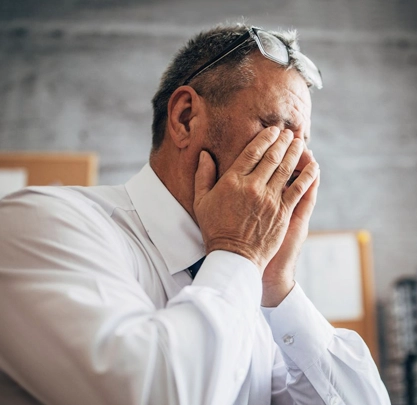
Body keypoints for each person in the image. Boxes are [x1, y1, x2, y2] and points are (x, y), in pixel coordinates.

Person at [0, 23, 390, 405]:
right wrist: (240, 251)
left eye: (302, 142)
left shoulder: (243, 288)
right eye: (278, 130)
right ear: (186, 118)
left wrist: (278, 286)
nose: (299, 163)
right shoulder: (41, 223)